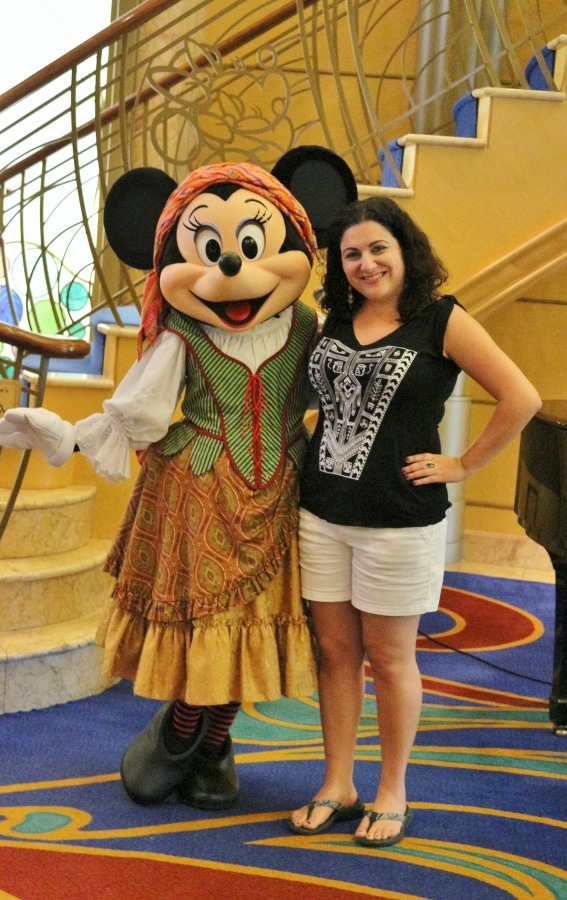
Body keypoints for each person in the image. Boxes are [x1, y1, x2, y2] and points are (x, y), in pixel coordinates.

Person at [0, 149, 357, 813]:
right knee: (205, 627)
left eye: (251, 243)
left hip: (276, 494)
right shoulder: (180, 334)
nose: (232, 267)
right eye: (211, 247)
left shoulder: (308, 327)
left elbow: (337, 397)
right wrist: (66, 437)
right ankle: (185, 729)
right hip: (194, 496)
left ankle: (214, 739)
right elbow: (136, 413)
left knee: (250, 625)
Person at [288, 196, 541, 847]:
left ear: (404, 252)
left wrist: (462, 462)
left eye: (377, 249)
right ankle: (336, 784)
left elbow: (520, 397)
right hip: (321, 512)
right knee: (334, 653)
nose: (366, 263)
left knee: (390, 657)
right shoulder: (333, 318)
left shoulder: (439, 319)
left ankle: (391, 790)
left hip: (399, 522)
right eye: (351, 254)